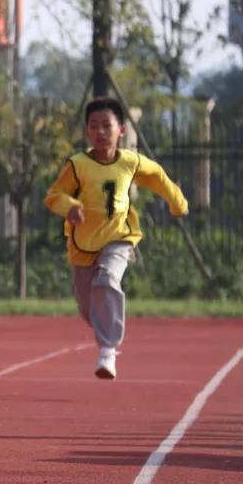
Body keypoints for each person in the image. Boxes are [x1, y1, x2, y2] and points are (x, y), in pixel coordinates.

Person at [44, 96, 188, 379]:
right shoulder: (78, 165)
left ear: (121, 130)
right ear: (87, 131)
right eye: (93, 126)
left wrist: (177, 202)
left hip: (118, 237)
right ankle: (105, 328)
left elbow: (157, 177)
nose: (100, 132)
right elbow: (53, 195)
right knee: (89, 309)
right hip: (83, 245)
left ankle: (107, 351)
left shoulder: (130, 162)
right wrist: (69, 207)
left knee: (108, 279)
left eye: (106, 125)